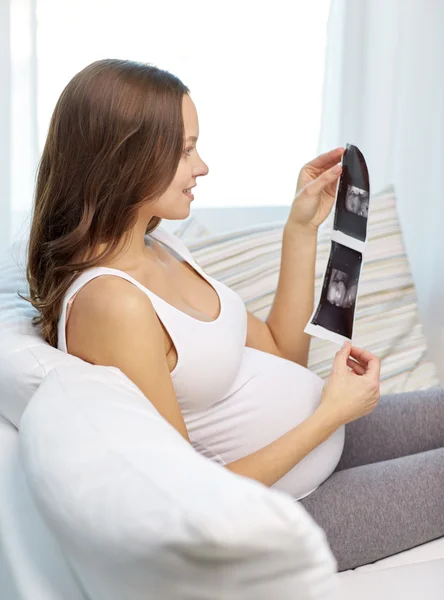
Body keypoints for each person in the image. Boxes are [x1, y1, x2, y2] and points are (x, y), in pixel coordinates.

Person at [22, 58, 444, 572]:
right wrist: (333, 412)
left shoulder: (162, 245)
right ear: (124, 158)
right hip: (284, 513)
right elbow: (189, 494)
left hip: (325, 438)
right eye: (185, 150)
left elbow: (284, 351)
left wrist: (301, 227)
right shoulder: (111, 304)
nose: (202, 167)